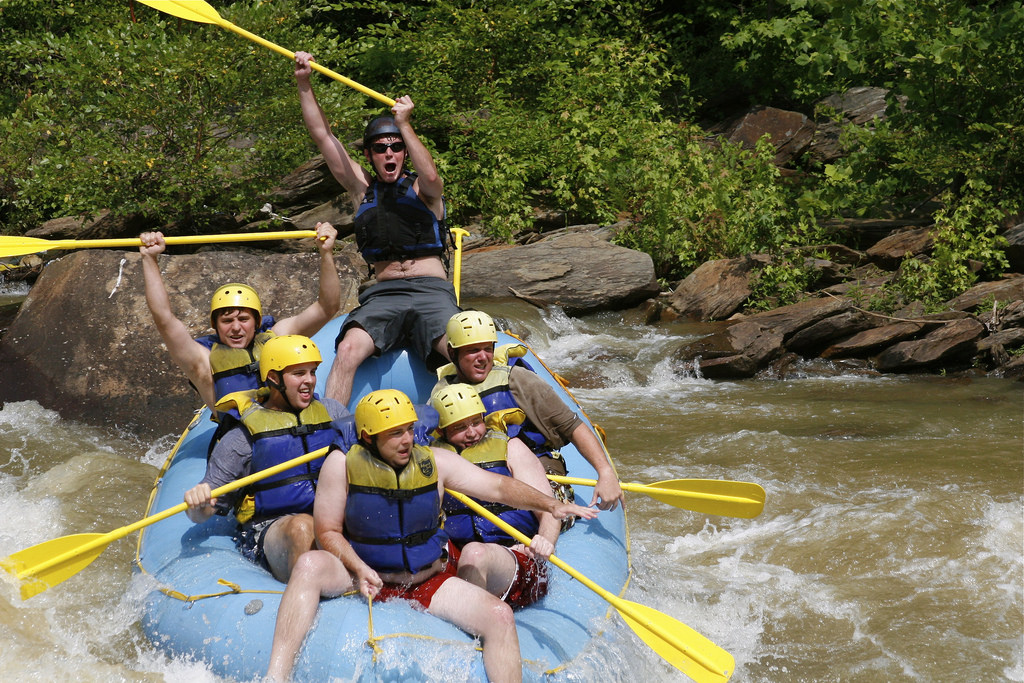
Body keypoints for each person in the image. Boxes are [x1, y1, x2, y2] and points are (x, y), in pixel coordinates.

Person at [265, 389, 597, 683]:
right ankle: (275, 676)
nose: (407, 440)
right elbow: (327, 531)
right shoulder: (341, 465)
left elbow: (497, 486)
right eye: (395, 433)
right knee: (309, 564)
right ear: (368, 437)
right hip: (363, 573)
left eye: (409, 429)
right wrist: (358, 566)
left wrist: (550, 504)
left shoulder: (435, 461)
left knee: (499, 616)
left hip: (426, 578)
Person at [293, 51, 461, 407]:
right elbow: (323, 136)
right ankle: (333, 432)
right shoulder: (361, 190)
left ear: (404, 151)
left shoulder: (424, 190)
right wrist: (304, 83)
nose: (389, 153)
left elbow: (431, 175)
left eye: (396, 147)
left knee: (461, 349)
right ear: (369, 154)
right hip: (384, 295)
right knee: (349, 348)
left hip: (431, 292)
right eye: (380, 148)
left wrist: (404, 124)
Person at [183, 335, 349, 583]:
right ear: (273, 378)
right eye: (299, 374)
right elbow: (204, 511)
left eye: (312, 372)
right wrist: (196, 504)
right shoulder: (242, 437)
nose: (310, 381)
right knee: (302, 527)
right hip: (274, 527)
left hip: (331, 519)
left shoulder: (333, 412)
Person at [433, 311, 625, 511]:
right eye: (473, 350)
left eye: (488, 349)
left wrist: (605, 473)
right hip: (480, 478)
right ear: (453, 353)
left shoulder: (518, 380)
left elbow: (572, 425)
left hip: (536, 471)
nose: (483, 358)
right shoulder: (442, 393)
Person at [139, 223, 341, 412]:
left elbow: (327, 307)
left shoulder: (276, 337)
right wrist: (150, 258)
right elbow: (164, 318)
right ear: (215, 326)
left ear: (257, 323)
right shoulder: (202, 361)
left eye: (243, 319)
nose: (236, 328)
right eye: (227, 321)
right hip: (244, 440)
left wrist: (326, 252)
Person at [430, 383, 558, 609]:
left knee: (475, 553)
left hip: (513, 553)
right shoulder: (435, 458)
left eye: (476, 422)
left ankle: (473, 625)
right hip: (458, 551)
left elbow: (550, 511)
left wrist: (545, 542)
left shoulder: (512, 448)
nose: (472, 433)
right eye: (460, 427)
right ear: (441, 432)